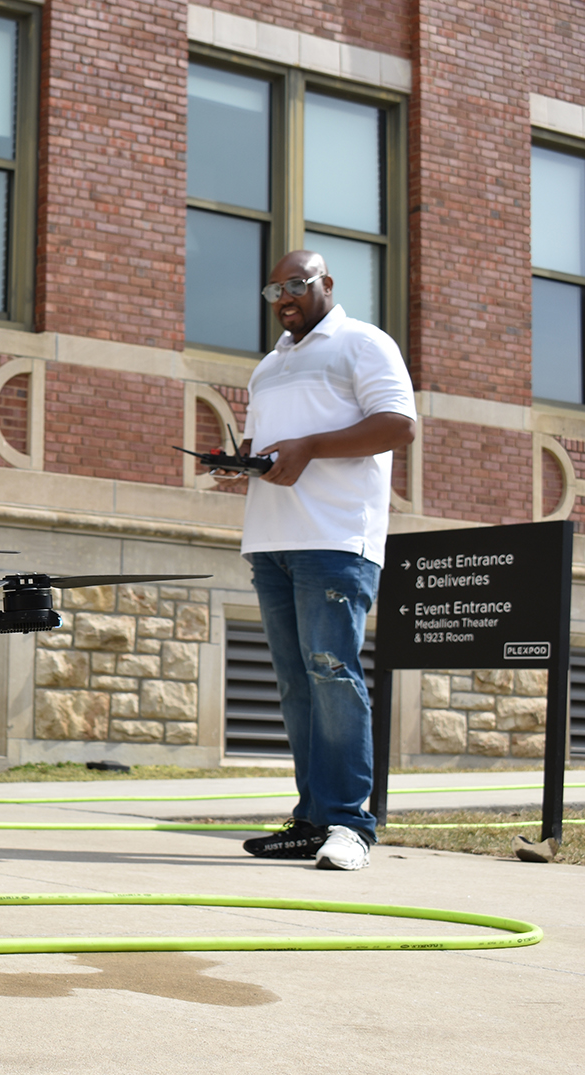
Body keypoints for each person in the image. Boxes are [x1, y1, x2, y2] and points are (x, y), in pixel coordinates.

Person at [234, 250, 417, 871]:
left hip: (336, 539)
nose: (284, 297)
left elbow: (398, 427)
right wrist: (246, 462)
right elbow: (279, 446)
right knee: (296, 686)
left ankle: (351, 824)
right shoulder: (268, 365)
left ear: (326, 284)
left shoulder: (363, 343)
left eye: (296, 284)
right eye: (273, 290)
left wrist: (308, 447)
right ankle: (310, 819)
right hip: (270, 540)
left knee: (332, 676)